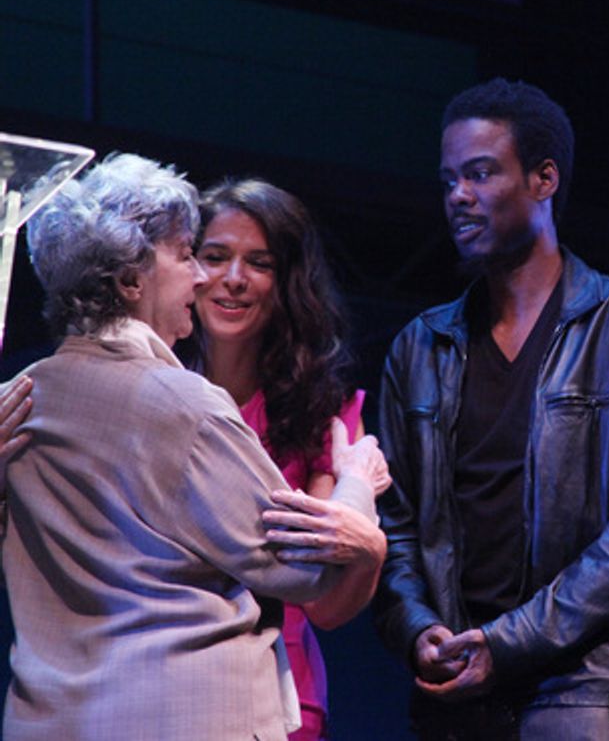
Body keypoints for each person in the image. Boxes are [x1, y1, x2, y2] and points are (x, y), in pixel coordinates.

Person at [2, 153, 385, 740]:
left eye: (258, 263)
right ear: (131, 281)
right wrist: (358, 483)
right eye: (189, 256)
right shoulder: (187, 406)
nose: (206, 278)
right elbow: (305, 569)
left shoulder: (19, 397)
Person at [374, 78, 609, 739]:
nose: (458, 196)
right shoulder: (420, 347)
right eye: (449, 181)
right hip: (455, 697)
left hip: (588, 693)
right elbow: (392, 523)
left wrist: (513, 642)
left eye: (481, 174)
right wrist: (416, 631)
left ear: (544, 180)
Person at [186, 178, 387, 740]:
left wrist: (369, 553)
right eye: (215, 256)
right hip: (162, 684)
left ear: (287, 281)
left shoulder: (327, 412)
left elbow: (323, 603)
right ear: (187, 268)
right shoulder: (151, 391)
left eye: (259, 262)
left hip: (281, 697)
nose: (232, 278)